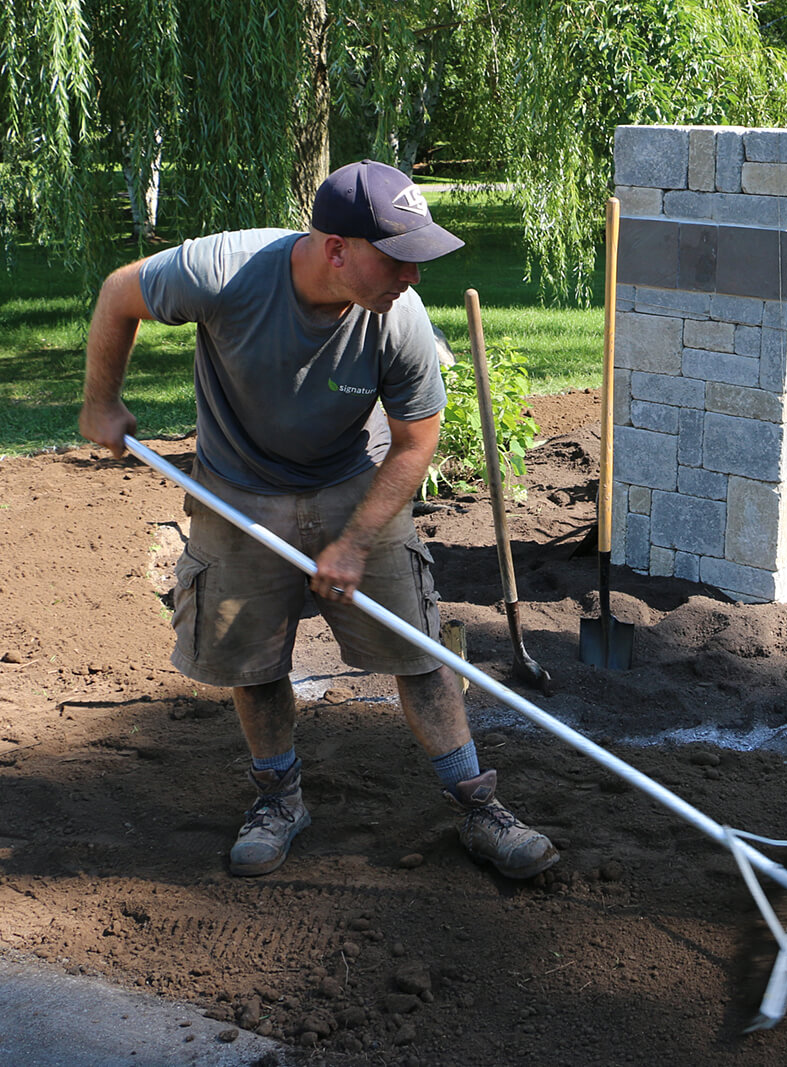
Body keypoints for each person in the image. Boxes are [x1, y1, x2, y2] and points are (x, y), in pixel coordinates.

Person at [77, 159, 560, 880]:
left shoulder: (399, 319)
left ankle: (477, 804)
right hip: (238, 490)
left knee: (417, 647)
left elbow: (415, 443)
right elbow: (121, 292)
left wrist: (355, 540)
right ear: (338, 249)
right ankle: (279, 799)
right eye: (397, 259)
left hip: (353, 481)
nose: (412, 277)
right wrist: (101, 401)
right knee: (252, 660)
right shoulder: (227, 271)